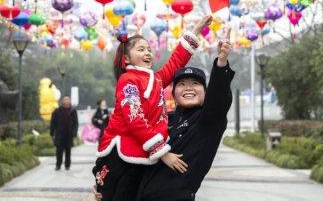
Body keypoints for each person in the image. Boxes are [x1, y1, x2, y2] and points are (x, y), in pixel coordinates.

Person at [93, 29, 234, 201]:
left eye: (195, 84)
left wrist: (221, 62)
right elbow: (134, 116)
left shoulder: (207, 120)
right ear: (173, 93)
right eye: (181, 84)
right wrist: (106, 188)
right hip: (124, 162)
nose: (147, 53)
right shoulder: (131, 82)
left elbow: (215, 95)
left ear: (206, 92)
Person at [50, 95, 79, 171]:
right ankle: (58, 165)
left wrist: (74, 132)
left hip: (69, 134)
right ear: (62, 101)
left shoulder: (73, 111)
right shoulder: (57, 111)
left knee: (68, 151)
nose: (66, 101)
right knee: (59, 151)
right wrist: (52, 132)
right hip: (60, 134)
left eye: (67, 99)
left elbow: (76, 123)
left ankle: (67, 165)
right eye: (64, 99)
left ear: (69, 101)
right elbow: (53, 122)